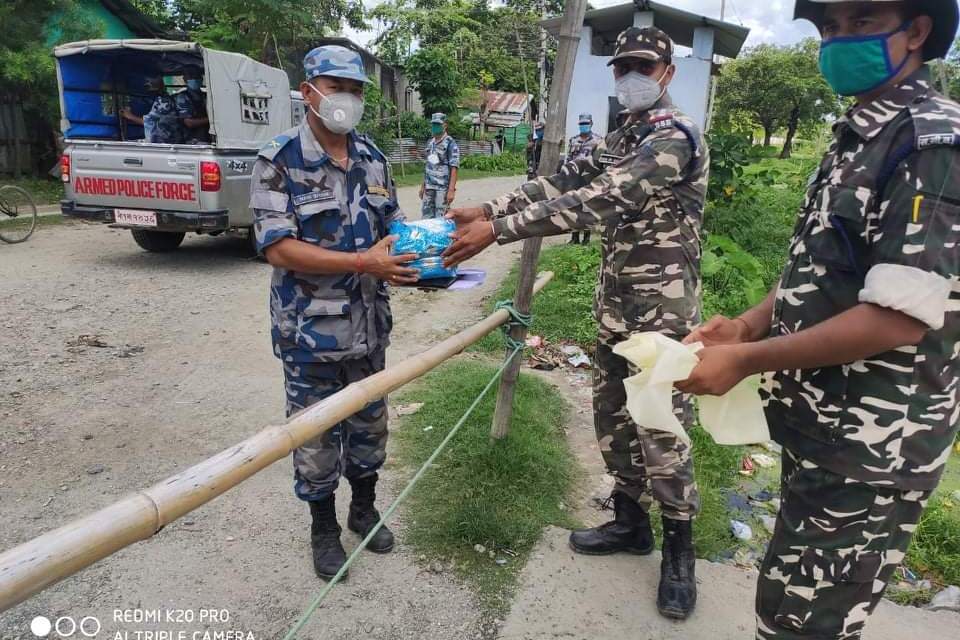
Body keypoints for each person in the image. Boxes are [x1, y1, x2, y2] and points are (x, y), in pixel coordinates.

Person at [676, 1, 960, 638]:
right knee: (790, 611)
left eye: (862, 22)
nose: (838, 41)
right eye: (829, 27)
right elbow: (823, 268)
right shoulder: (861, 134)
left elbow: (896, 318)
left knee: (803, 626)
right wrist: (748, 324)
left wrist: (744, 361)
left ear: (917, 30)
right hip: (828, 433)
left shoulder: (932, 140)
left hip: (874, 449)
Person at [442, 27, 709, 620]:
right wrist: (489, 207)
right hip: (616, 306)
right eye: (621, 67)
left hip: (662, 315)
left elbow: (606, 200)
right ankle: (630, 523)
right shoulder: (622, 136)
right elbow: (562, 181)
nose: (629, 76)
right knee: (612, 417)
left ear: (666, 72)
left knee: (660, 428)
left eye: (641, 65)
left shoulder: (674, 137)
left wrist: (500, 231)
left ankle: (680, 556)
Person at [248, 45, 420, 581]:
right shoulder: (278, 160)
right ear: (309, 92)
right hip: (310, 334)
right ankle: (323, 529)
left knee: (370, 428)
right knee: (316, 438)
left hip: (369, 330)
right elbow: (277, 247)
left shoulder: (373, 159)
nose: (347, 97)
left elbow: (394, 227)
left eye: (356, 89)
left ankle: (363, 511)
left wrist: (422, 257)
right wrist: (362, 261)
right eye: (335, 85)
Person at [566, 113, 603, 245]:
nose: (584, 126)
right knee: (573, 207)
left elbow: (600, 162)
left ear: (591, 124)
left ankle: (586, 238)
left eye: (586, 124)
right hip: (574, 179)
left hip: (589, 179)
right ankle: (574, 237)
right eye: (581, 124)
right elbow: (568, 159)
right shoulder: (573, 140)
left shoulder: (598, 141)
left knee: (587, 208)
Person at [120, 74, 184, 144]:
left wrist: (130, 116)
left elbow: (149, 121)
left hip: (166, 141)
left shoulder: (163, 101)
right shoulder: (158, 99)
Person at [419, 113, 460, 219]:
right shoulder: (430, 143)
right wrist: (423, 186)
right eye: (433, 124)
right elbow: (428, 165)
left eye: (438, 124)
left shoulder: (450, 143)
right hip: (429, 187)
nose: (435, 127)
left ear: (445, 125)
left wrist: (451, 191)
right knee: (426, 219)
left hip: (442, 189)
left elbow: (454, 168)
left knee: (441, 220)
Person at [175, 66, 210, 143]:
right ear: (185, 80)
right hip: (191, 141)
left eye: (197, 76)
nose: (194, 78)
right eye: (190, 76)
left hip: (207, 137)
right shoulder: (182, 97)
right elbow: (189, 122)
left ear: (201, 78)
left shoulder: (206, 96)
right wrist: (211, 120)